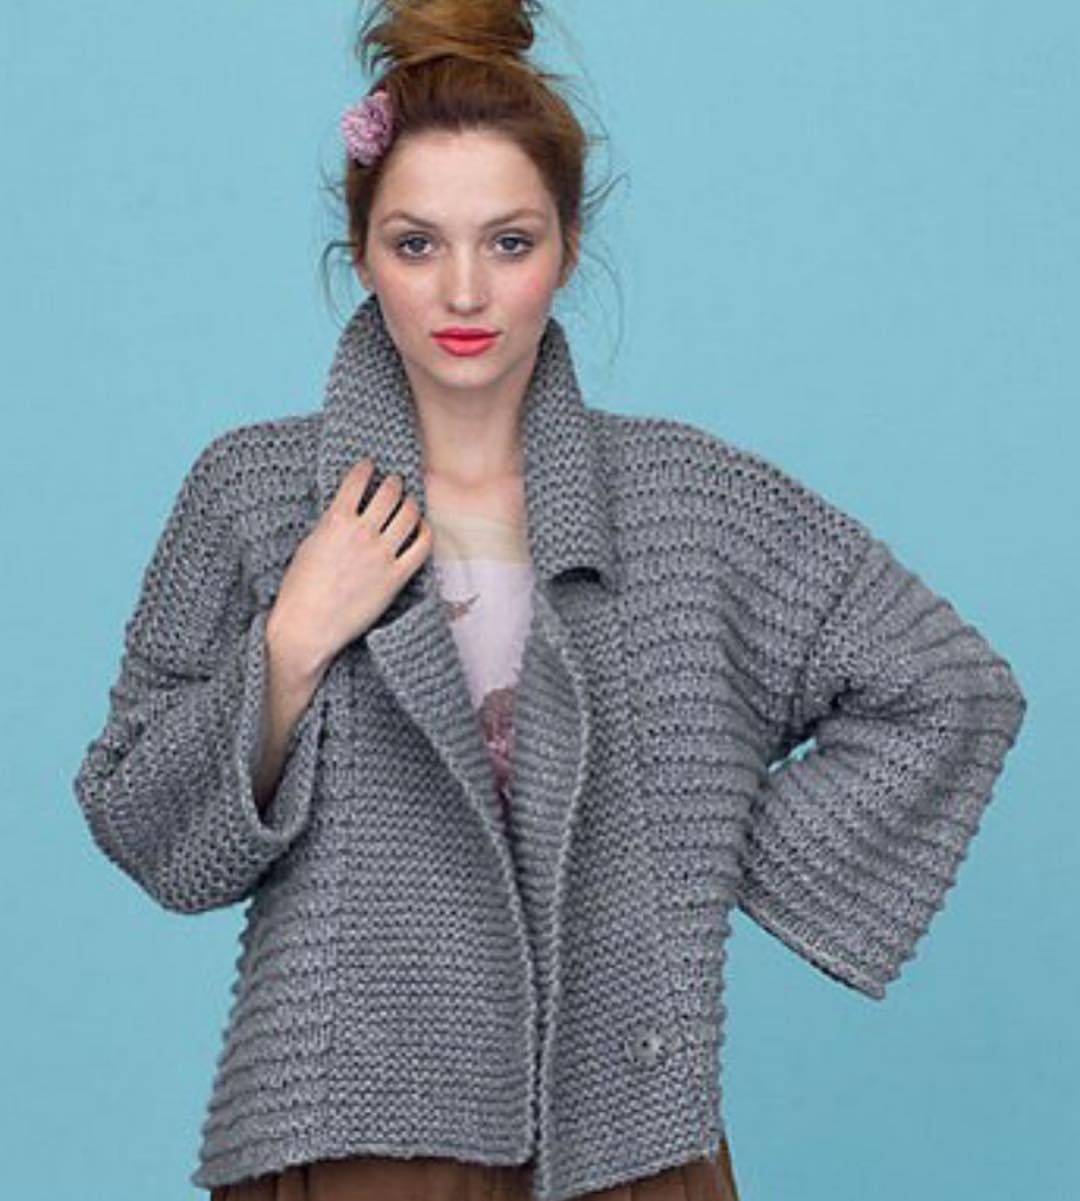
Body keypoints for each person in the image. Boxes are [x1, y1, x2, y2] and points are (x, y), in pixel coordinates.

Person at [71, 2, 1028, 1200]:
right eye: (417, 244)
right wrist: (297, 636)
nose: (464, 290)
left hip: (628, 1134)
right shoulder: (255, 493)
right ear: (360, 255)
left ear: (568, 249)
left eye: (509, 241)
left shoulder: (689, 502)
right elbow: (140, 819)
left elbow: (950, 686)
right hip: (353, 1135)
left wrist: (712, 847)